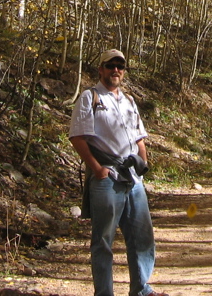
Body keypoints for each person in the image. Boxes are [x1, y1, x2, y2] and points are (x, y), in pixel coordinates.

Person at [69, 49, 169, 296]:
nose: (116, 70)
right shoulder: (89, 97)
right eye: (111, 65)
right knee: (103, 241)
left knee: (142, 237)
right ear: (100, 69)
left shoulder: (129, 101)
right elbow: (77, 137)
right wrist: (97, 169)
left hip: (132, 178)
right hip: (106, 179)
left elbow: (139, 137)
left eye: (120, 66)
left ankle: (141, 289)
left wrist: (142, 167)